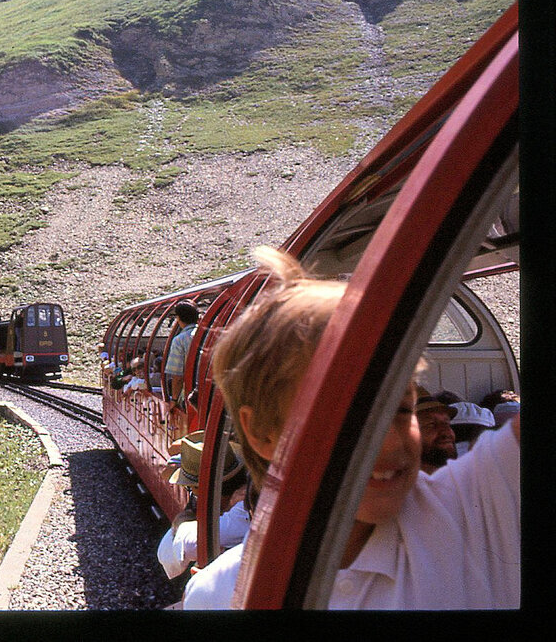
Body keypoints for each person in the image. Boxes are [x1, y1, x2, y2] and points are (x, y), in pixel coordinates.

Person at [182, 246, 520, 610]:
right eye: (343, 419)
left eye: (402, 409)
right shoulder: (220, 597)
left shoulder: (477, 506)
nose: (389, 442)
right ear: (263, 432)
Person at [157, 430, 250, 581]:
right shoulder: (238, 501)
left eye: (190, 488)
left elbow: (185, 547)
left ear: (202, 489)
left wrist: (181, 522)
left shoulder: (242, 510)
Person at [415, 389, 457, 474]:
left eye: (447, 423)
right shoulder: (395, 485)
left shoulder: (461, 480)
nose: (446, 432)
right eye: (431, 424)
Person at [165, 302, 199, 406]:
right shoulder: (208, 333)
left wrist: (174, 400)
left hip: (191, 394)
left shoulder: (180, 340)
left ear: (179, 318)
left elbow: (177, 375)